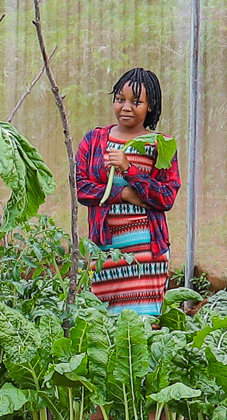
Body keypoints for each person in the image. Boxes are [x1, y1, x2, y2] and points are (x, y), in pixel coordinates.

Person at [74, 66, 182, 319]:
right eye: (120, 99)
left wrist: (129, 169)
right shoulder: (94, 140)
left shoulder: (160, 145)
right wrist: (123, 195)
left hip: (146, 251)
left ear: (151, 106)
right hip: (106, 250)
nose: (126, 107)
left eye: (136, 102)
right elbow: (82, 188)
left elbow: (166, 196)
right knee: (103, 324)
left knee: (142, 325)